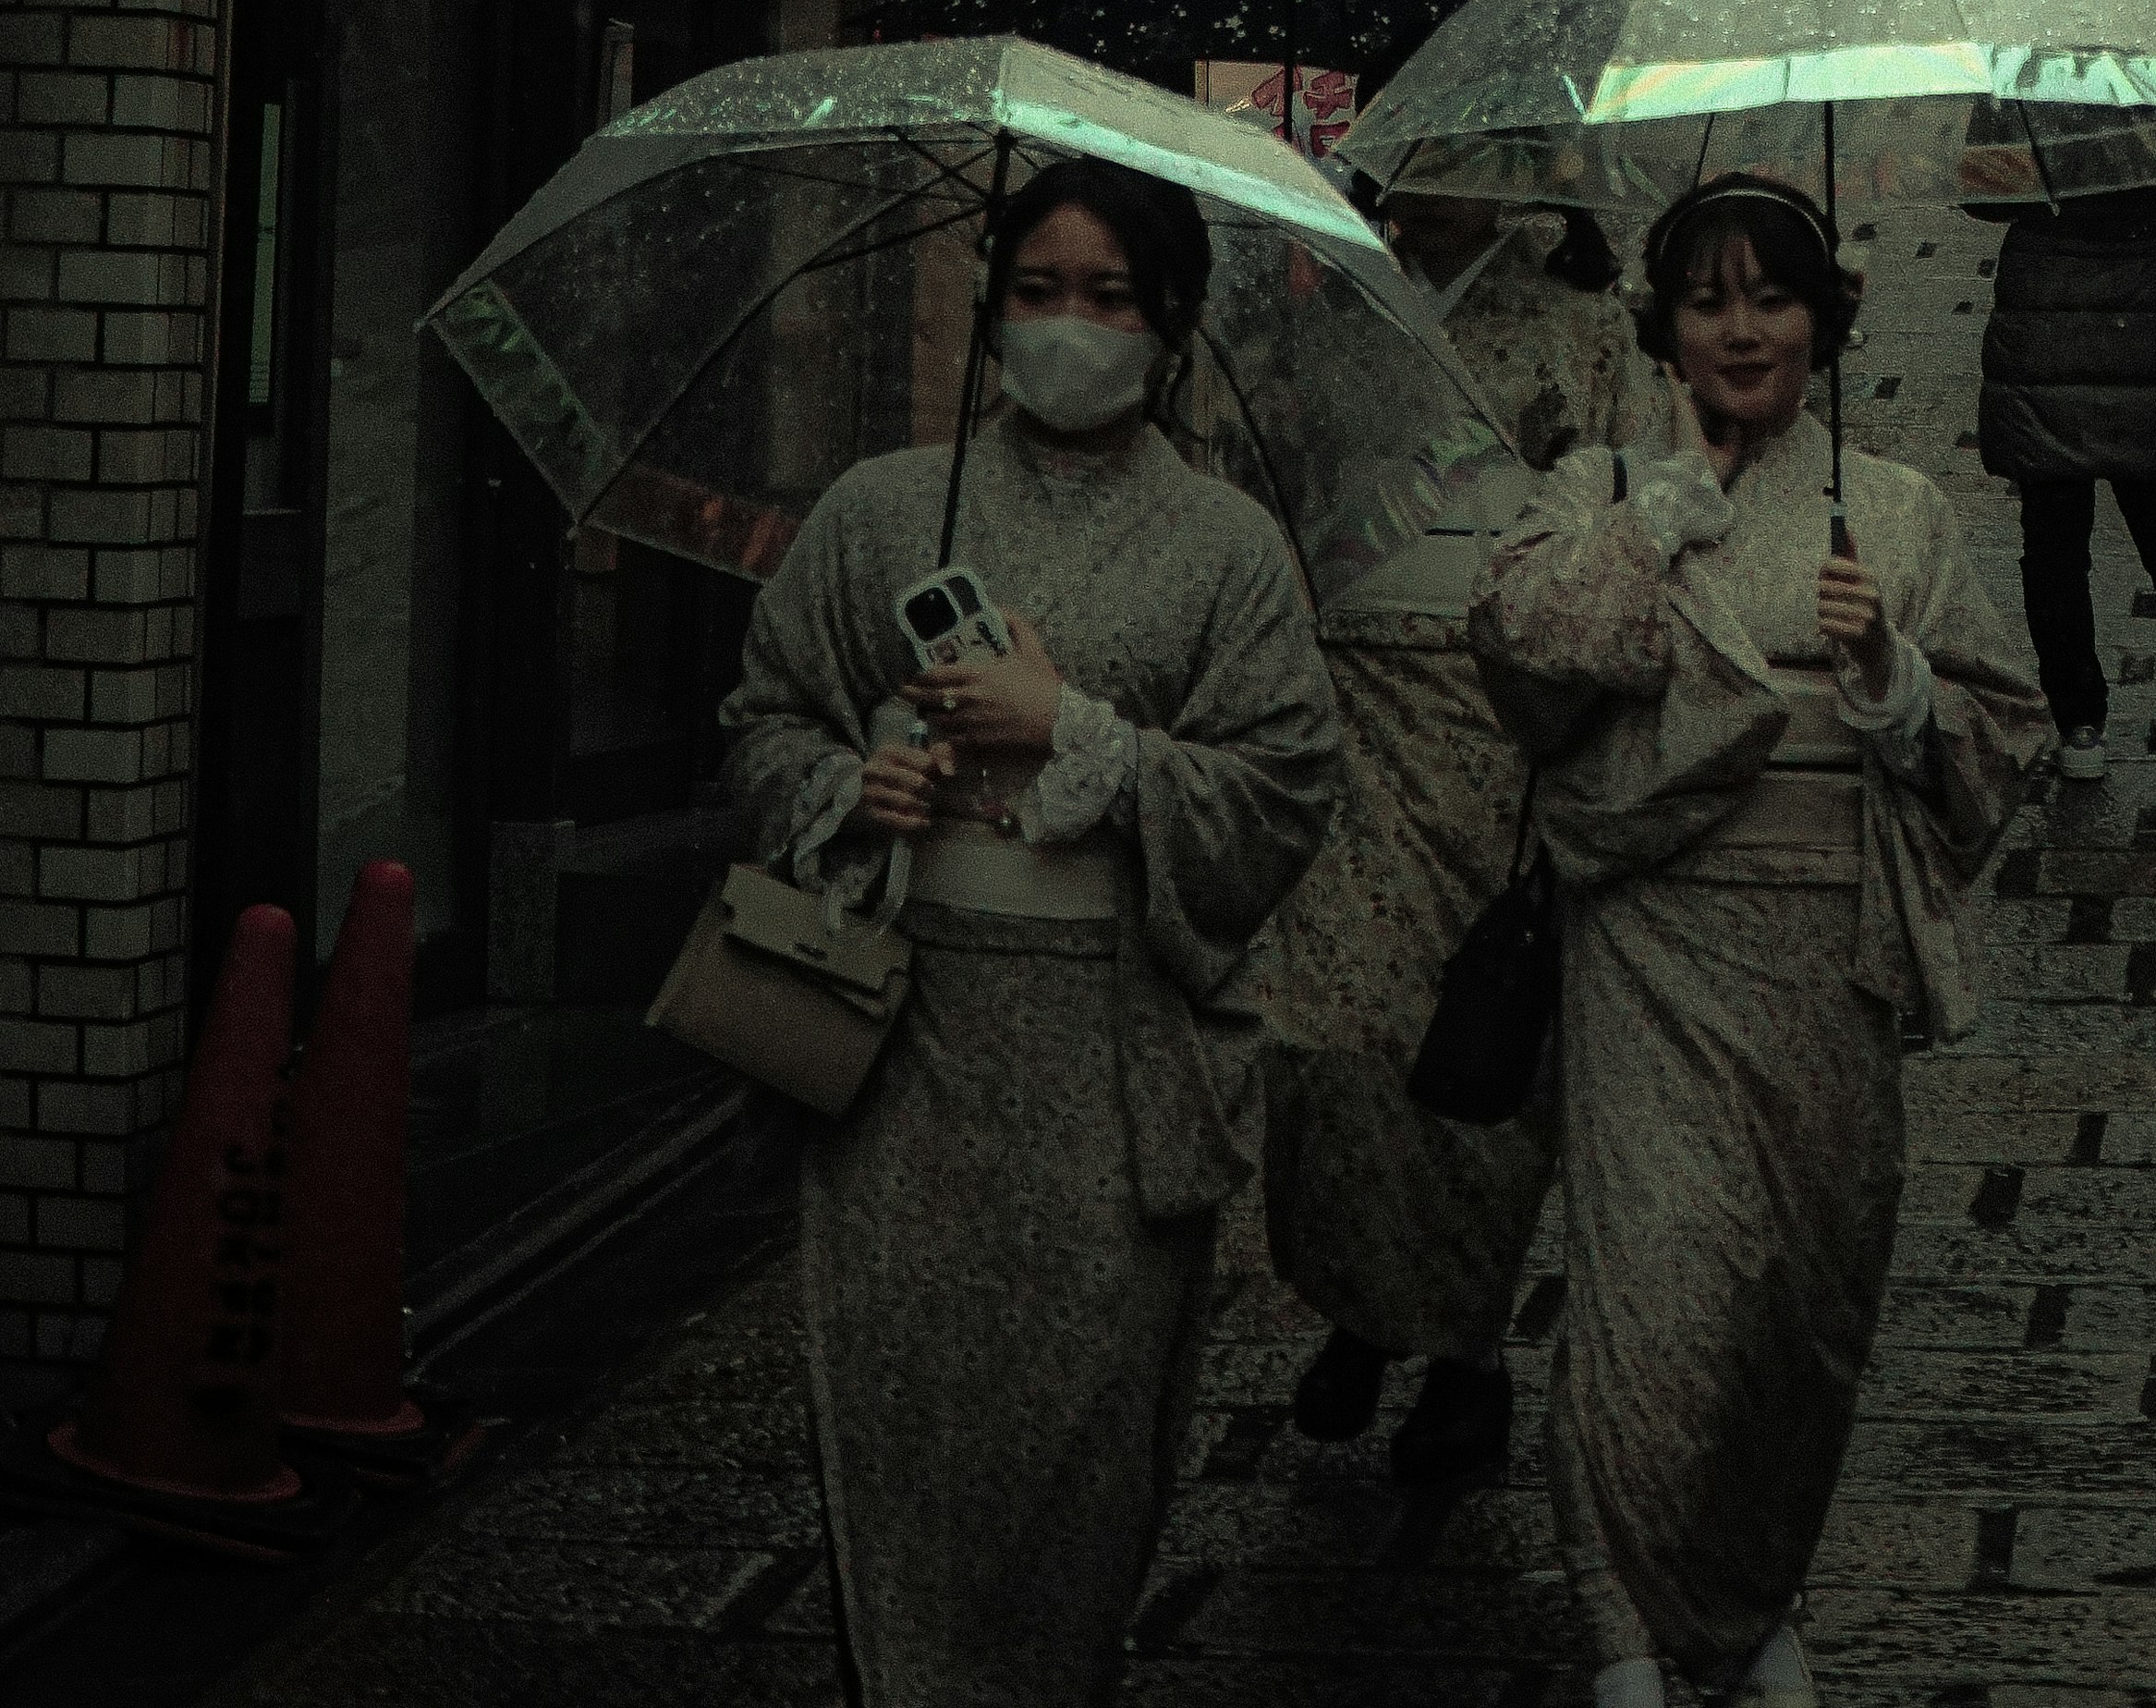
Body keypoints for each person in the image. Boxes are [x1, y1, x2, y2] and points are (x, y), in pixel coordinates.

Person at [722, 159, 1342, 1708]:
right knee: (903, 1426)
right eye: (1040, 291)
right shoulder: (878, 515)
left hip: (1110, 1058)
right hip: (905, 1056)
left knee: (1081, 1453)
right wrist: (850, 785)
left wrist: (1084, 731)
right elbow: (764, 721)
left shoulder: (1230, 550)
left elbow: (1283, 790)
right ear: (993, 313)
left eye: (1111, 298)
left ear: (1172, 324)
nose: (1071, 327)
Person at [1469, 176, 2044, 1708]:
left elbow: (2002, 746)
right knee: (1658, 1295)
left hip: (1826, 965)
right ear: (1662, 323)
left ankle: (1746, 1593)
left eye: (1773, 296)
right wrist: (1647, 529)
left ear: (1825, 319)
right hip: (1652, 945)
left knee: (1803, 1306)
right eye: (1710, 298)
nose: (1743, 330)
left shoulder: (1898, 511)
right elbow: (1518, 666)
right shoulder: (1598, 482)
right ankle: (1626, 1633)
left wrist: (1893, 673)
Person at [1259, 198, 1644, 1509]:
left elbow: (1622, 519)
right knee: (1329, 1037)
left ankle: (1463, 1353)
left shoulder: (1587, 329)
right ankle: (1363, 1305)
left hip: (1499, 717)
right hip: (1349, 699)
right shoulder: (1327, 318)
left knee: (1472, 1052)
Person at [1977, 179, 2156, 789]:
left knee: (2054, 550)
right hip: (2143, 317)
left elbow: (1983, 192)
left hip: (2043, 327)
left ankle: (2079, 729)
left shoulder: (2024, 85)